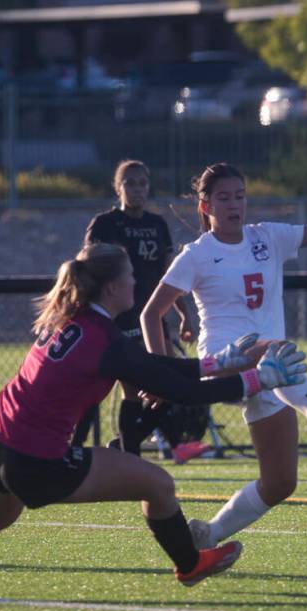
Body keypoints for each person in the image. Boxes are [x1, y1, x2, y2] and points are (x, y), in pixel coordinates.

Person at [0, 243, 307, 594]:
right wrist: (257, 379)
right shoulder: (107, 339)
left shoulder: (77, 320)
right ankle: (191, 564)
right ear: (112, 288)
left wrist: (218, 361)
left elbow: (160, 370)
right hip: (33, 456)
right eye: (130, 277)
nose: (136, 282)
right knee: (158, 485)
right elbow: (178, 390)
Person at [141, 163, 307, 550]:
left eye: (240, 196)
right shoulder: (196, 255)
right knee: (273, 351)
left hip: (274, 373)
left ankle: (208, 535)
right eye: (224, 198)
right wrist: (160, 372)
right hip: (225, 363)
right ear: (206, 206)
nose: (234, 204)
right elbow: (151, 313)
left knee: (281, 482)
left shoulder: (267, 237)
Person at [74, 160, 204, 464]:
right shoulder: (105, 224)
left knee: (165, 383)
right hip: (116, 319)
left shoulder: (156, 225)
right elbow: (88, 267)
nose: (137, 189)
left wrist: (183, 313)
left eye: (142, 183)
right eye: (129, 183)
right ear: (118, 188)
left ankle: (135, 445)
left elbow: (167, 274)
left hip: (153, 317)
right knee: (129, 388)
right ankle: (101, 449)